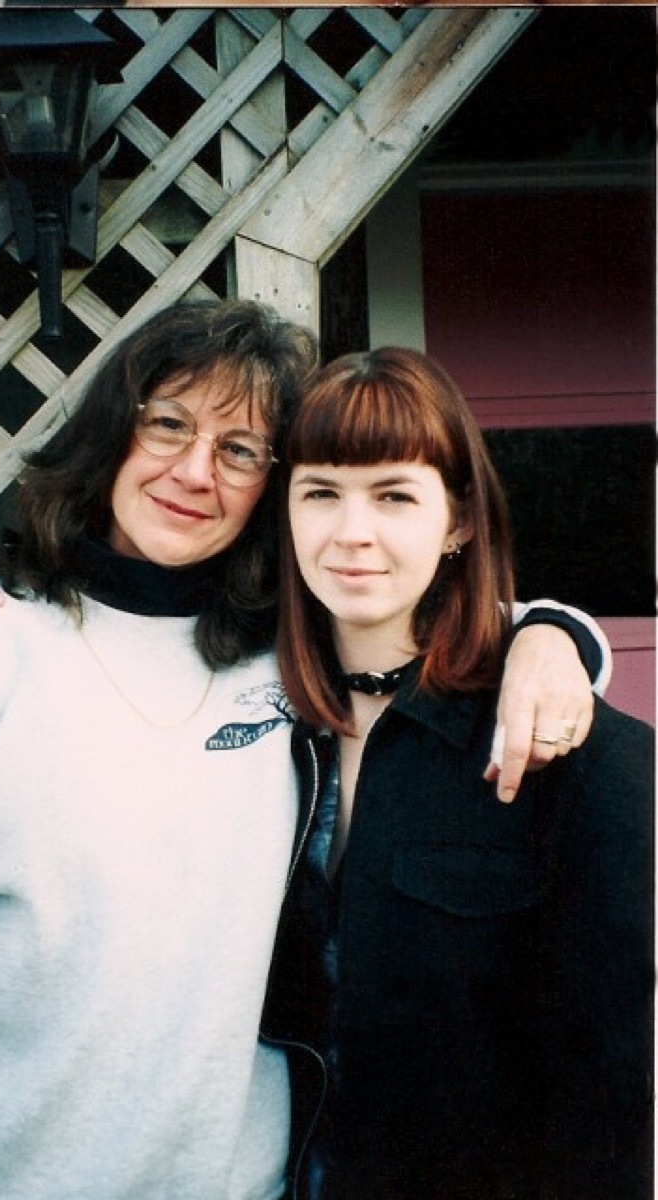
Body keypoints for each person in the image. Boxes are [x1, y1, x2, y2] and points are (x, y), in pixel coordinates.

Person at [0, 299, 608, 1200]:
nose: (194, 472)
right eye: (168, 425)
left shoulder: (293, 654)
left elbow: (458, 621)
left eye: (240, 450)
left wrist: (552, 636)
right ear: (110, 434)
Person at [264, 347, 653, 1200]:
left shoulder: (577, 754)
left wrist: (550, 635)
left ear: (460, 521)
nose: (351, 532)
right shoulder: (247, 722)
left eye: (395, 495)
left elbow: (614, 1099)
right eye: (321, 492)